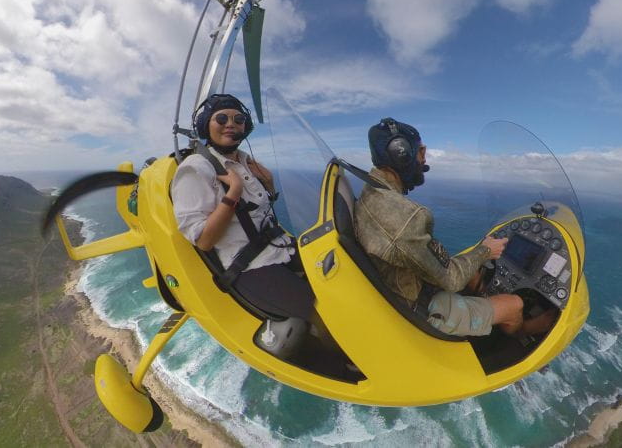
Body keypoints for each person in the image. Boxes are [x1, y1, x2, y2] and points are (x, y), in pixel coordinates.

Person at [354, 118, 555, 337]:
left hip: (397, 289)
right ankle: (520, 332)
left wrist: (481, 255)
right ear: (400, 154)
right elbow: (451, 280)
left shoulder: (370, 193)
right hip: (418, 309)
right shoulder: (408, 217)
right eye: (421, 152)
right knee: (515, 304)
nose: (424, 159)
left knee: (474, 273)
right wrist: (486, 250)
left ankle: (484, 311)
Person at [171, 93, 314, 321]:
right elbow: (204, 241)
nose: (231, 124)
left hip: (279, 246)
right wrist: (234, 192)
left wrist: (269, 185)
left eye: (238, 119)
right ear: (206, 125)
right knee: (324, 314)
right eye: (221, 118)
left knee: (341, 284)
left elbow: (257, 212)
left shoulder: (246, 160)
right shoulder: (196, 168)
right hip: (251, 266)